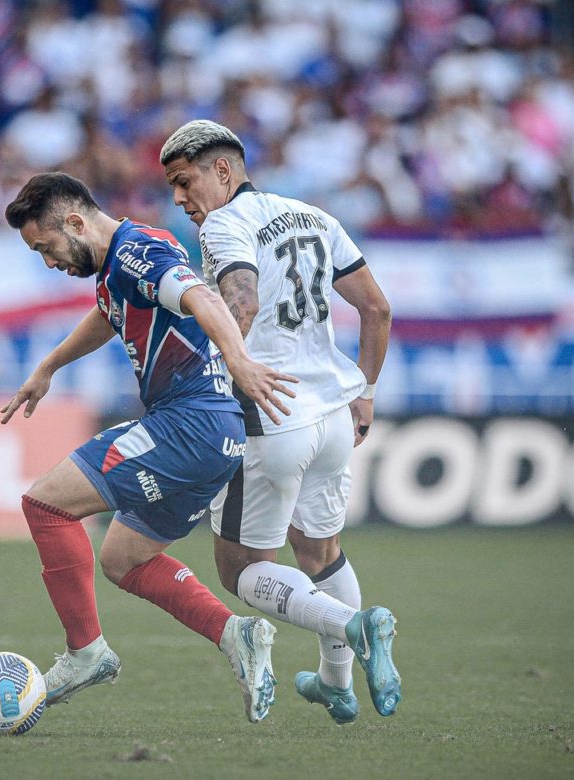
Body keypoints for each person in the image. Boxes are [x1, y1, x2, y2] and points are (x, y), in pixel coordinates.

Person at [2, 172, 301, 722]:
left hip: (187, 426)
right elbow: (107, 315)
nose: (49, 262)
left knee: (45, 505)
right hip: (214, 436)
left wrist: (238, 359)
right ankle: (235, 634)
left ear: (74, 222)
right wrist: (48, 366)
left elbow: (199, 296)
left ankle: (85, 653)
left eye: (47, 248)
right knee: (122, 559)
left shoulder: (139, 251)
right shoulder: (120, 265)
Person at [160, 120, 401, 722]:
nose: (180, 200)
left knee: (240, 568)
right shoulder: (315, 216)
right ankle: (337, 685)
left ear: (223, 169)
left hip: (270, 415)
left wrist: (214, 379)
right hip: (334, 418)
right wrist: (366, 390)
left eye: (184, 182)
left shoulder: (224, 224)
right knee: (321, 551)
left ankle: (353, 627)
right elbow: (376, 307)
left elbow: (242, 300)